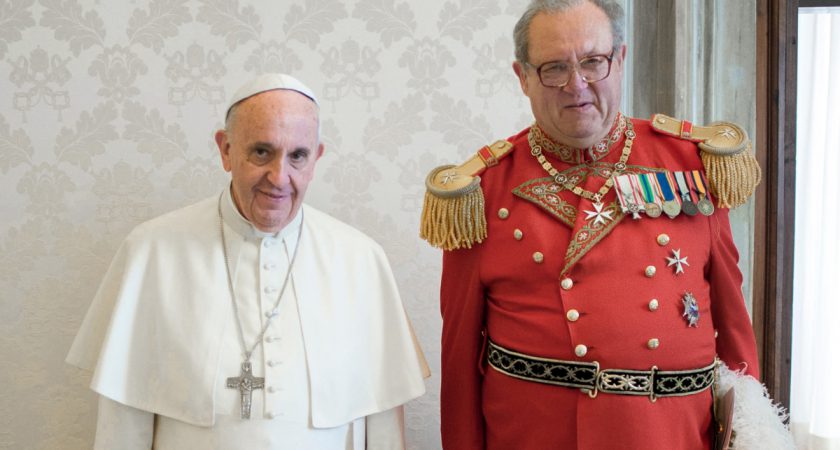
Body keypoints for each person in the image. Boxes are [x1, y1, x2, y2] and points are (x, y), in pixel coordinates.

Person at [419, 1, 792, 449]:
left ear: (620, 59)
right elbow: (459, 362)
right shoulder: (479, 193)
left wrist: (752, 437)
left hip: (669, 437)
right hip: (535, 436)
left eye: (593, 62)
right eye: (554, 68)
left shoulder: (691, 163)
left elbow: (734, 333)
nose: (576, 85)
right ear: (522, 77)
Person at [67, 73, 429, 449]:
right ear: (225, 150)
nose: (279, 177)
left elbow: (384, 426)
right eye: (261, 152)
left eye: (298, 156)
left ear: (316, 158)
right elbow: (122, 425)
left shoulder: (361, 260)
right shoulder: (152, 251)